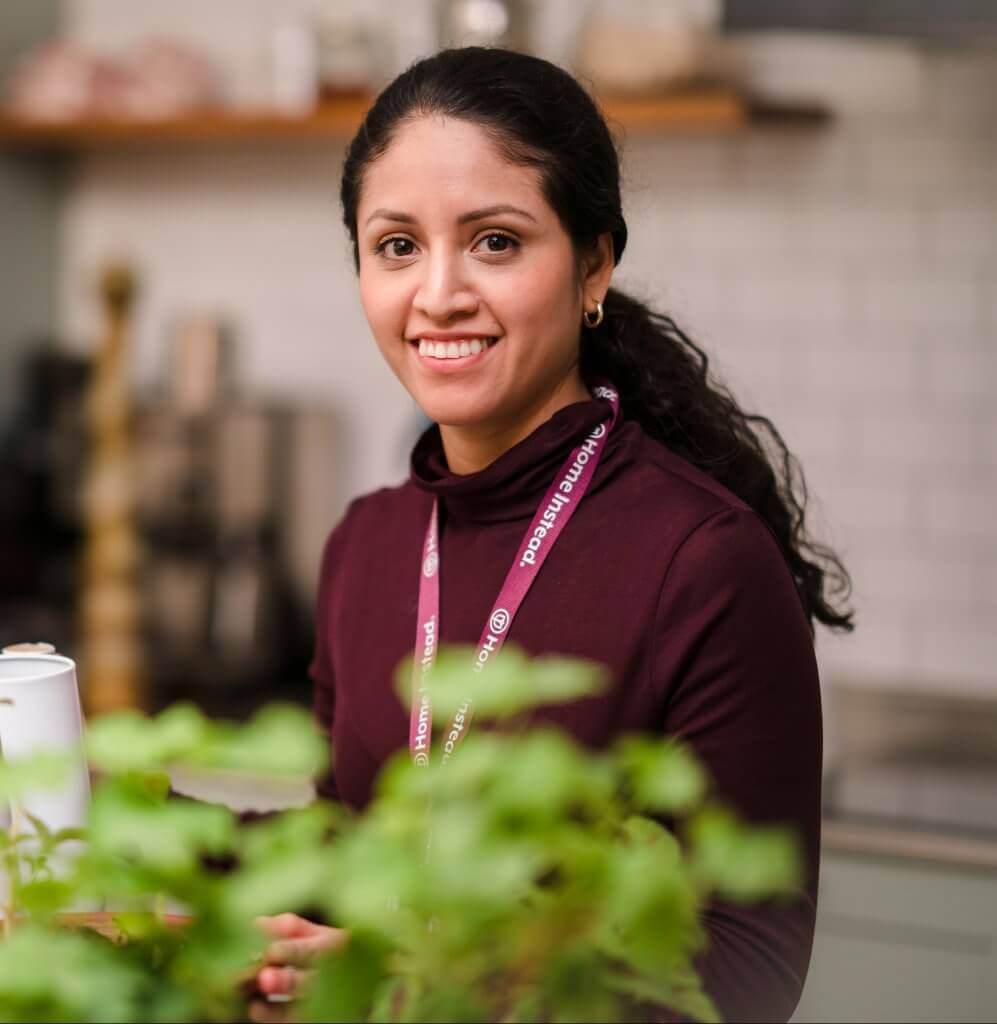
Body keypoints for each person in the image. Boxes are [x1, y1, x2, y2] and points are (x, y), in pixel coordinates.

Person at [251, 45, 854, 1023]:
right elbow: (345, 844)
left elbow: (747, 969)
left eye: (494, 241)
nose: (438, 292)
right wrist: (119, 820)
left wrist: (422, 996)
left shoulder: (705, 560)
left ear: (593, 265)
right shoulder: (364, 543)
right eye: (396, 245)